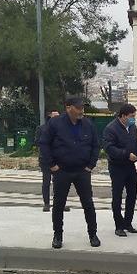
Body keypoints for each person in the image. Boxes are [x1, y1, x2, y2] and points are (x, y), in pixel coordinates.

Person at [38, 96, 100, 249]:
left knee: (88, 204)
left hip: (82, 171)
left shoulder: (88, 124)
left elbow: (96, 145)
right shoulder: (55, 123)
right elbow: (44, 144)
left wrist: (90, 165)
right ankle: (57, 235)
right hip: (62, 171)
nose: (81, 111)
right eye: (78, 108)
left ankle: (93, 234)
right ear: (68, 108)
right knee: (58, 205)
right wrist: (52, 165)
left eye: (82, 108)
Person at [103, 103, 137, 237]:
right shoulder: (111, 129)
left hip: (130, 167)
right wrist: (126, 154)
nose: (133, 119)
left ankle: (128, 223)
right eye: (132, 116)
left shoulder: (132, 127)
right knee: (117, 196)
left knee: (132, 195)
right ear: (123, 116)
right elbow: (109, 148)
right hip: (117, 167)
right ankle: (118, 225)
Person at [35, 111, 69, 213]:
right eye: (55, 117)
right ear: (50, 118)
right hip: (46, 159)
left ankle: (60, 204)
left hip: (59, 160)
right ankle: (46, 204)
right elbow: (37, 142)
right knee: (46, 182)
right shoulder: (41, 128)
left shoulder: (64, 128)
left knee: (60, 183)